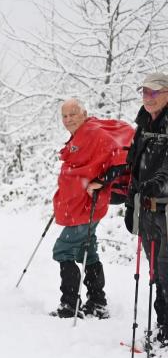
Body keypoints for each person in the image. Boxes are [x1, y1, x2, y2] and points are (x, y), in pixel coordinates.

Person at [51, 98, 130, 319]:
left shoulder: (94, 132)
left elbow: (123, 159)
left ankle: (69, 305)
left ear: (84, 113)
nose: (68, 120)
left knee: (63, 250)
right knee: (88, 250)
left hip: (88, 205)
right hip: (80, 204)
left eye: (72, 114)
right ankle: (97, 302)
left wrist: (103, 181)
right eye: (64, 116)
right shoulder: (82, 133)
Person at [125, 72, 168, 348]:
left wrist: (156, 184)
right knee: (154, 270)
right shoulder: (143, 122)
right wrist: (130, 200)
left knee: (165, 268)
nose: (147, 98)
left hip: (164, 207)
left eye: (153, 93)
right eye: (144, 92)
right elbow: (134, 163)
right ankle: (163, 326)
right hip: (146, 207)